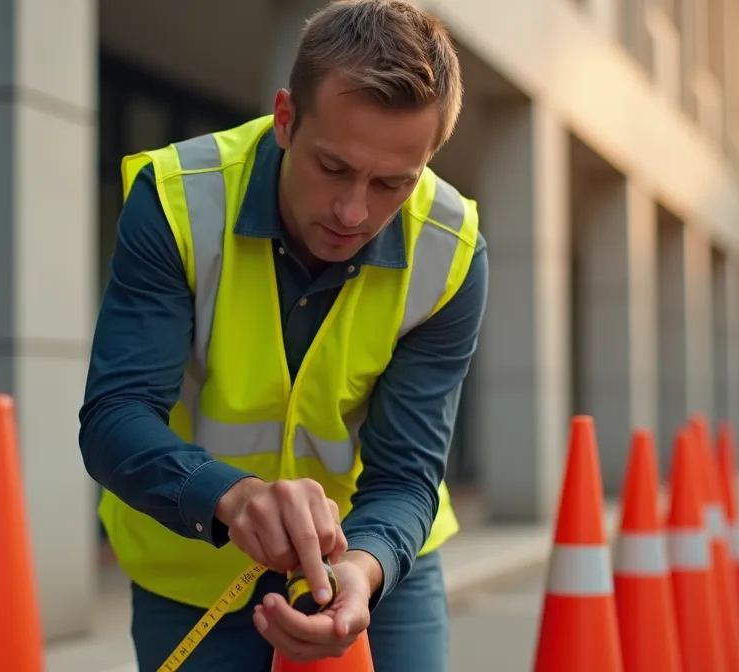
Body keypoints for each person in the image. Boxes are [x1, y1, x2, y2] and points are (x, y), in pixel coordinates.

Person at [78, 1, 488, 670]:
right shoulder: (180, 199)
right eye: (333, 168)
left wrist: (364, 568)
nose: (355, 210)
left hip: (372, 560)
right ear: (286, 120)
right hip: (192, 566)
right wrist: (232, 498)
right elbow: (114, 417)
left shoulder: (452, 249)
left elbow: (408, 471)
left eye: (393, 183)